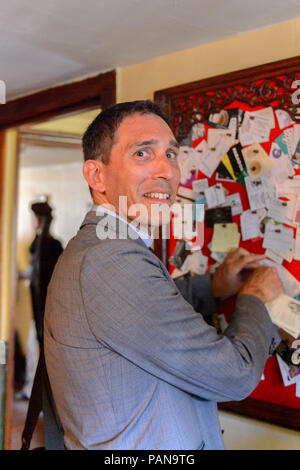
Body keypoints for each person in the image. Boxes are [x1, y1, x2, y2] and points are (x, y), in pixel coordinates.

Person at [44, 100, 284, 450]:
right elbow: (235, 374)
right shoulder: (110, 259)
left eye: (171, 154)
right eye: (143, 153)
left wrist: (212, 287)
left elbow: (141, 310)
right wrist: (254, 298)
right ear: (97, 176)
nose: (168, 172)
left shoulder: (103, 246)